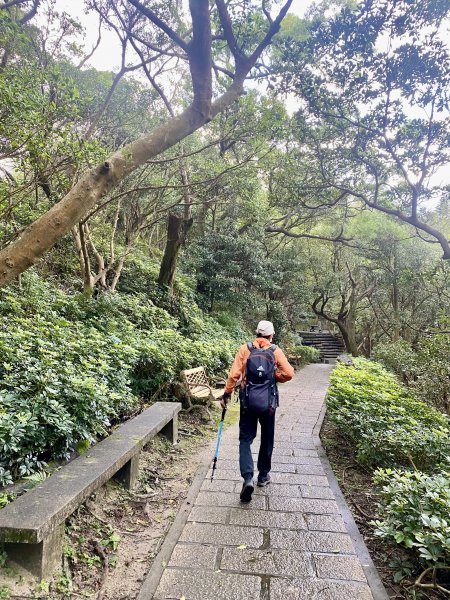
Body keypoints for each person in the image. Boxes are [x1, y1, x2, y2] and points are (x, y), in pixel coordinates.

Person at [220, 320, 294, 503]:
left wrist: (226, 394)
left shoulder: (245, 349)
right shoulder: (275, 351)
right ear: (271, 335)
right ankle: (263, 476)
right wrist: (273, 376)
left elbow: (233, 375)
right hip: (268, 403)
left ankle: (247, 478)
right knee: (267, 438)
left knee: (245, 439)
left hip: (247, 402)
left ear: (257, 334)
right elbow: (289, 373)